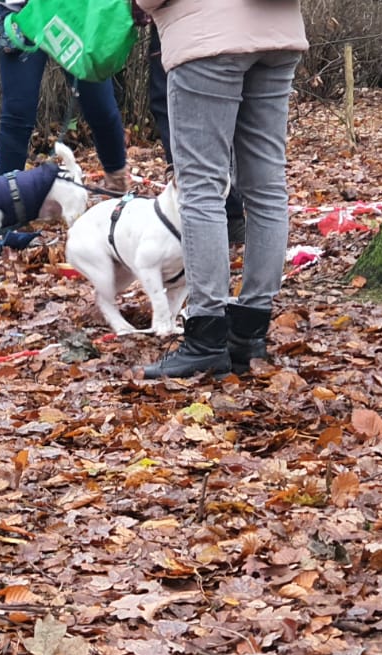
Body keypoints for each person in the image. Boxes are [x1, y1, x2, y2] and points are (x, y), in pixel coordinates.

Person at [135, 0, 306, 379]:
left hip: (207, 37)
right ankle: (250, 332)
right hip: (278, 34)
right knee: (266, 188)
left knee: (201, 190)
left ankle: (207, 335)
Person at [0, 1, 130, 192]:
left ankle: (118, 184)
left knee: (100, 105)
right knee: (17, 112)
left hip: (74, 9)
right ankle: (6, 197)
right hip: (20, 11)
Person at [139, 19, 248, 246]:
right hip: (254, 33)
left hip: (185, 27)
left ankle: (206, 216)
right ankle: (228, 214)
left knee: (174, 107)